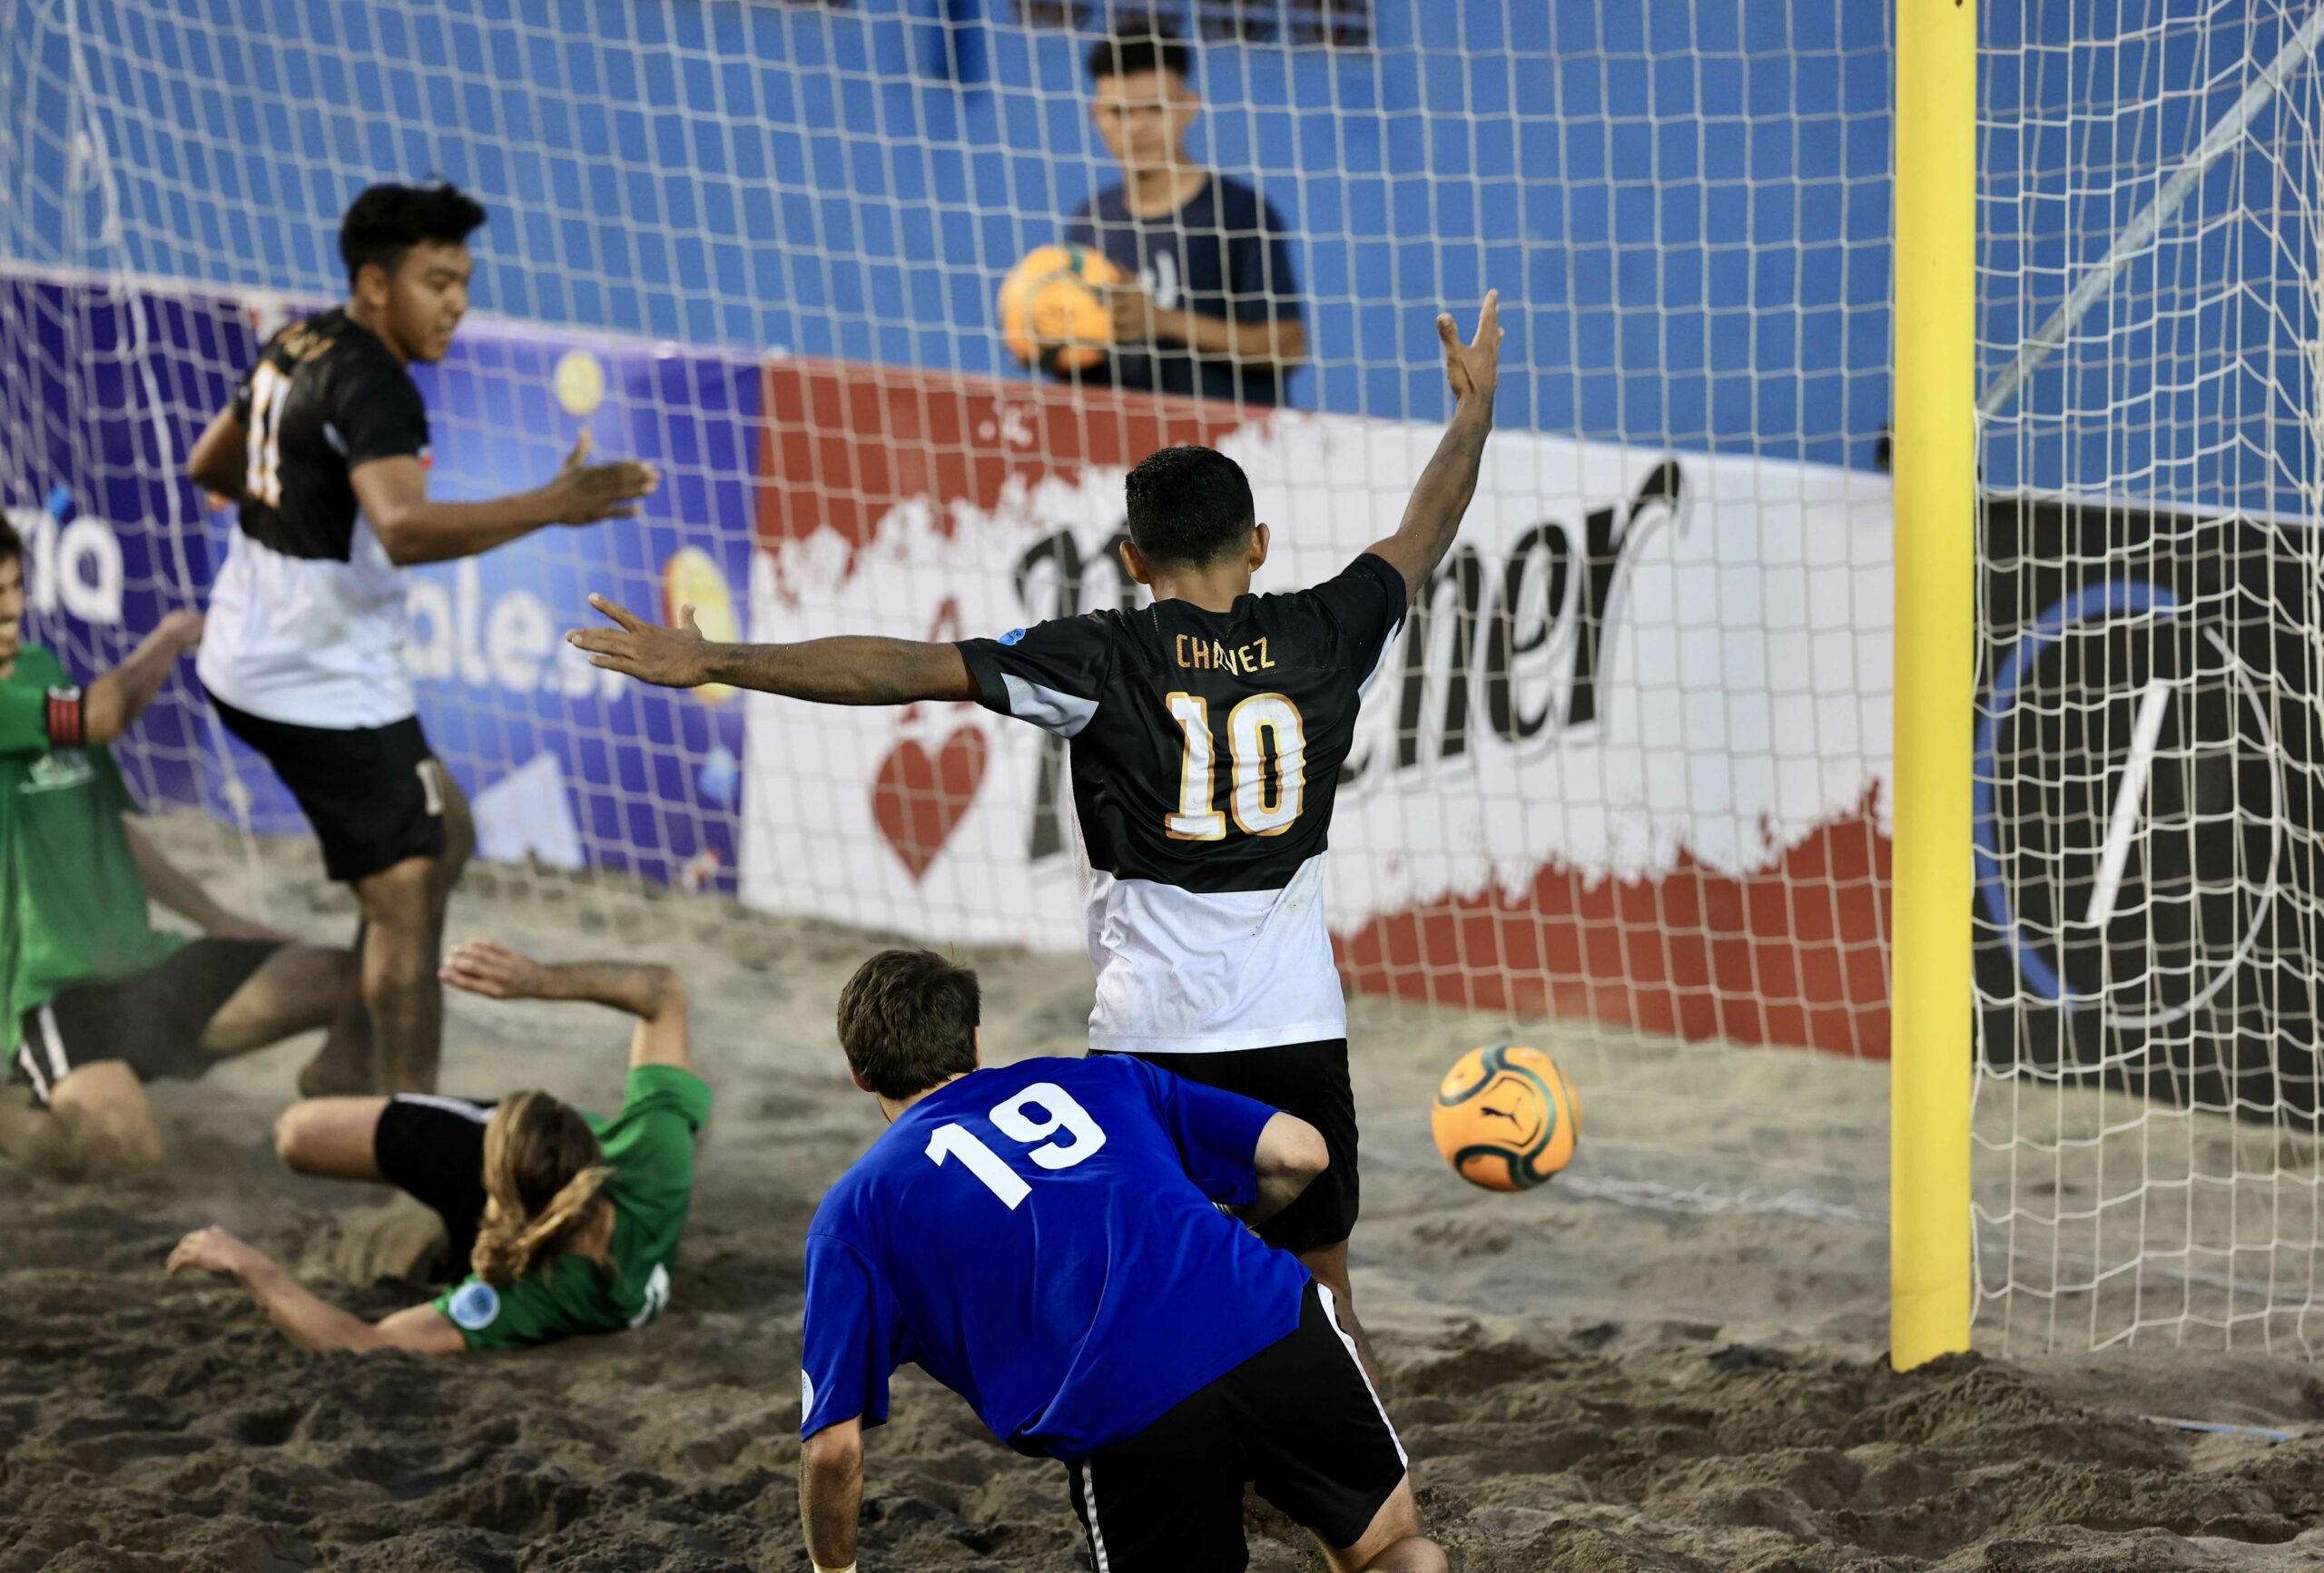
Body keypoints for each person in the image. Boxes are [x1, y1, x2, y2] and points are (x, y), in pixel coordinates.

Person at [569, 292, 1502, 1379]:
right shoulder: (1323, 630)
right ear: (1256, 543)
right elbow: (1419, 534)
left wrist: (721, 660)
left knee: (1158, 1290)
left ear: (1132, 558)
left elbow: (900, 669)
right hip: (1298, 1026)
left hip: (1155, 1042)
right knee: (1325, 1284)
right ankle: (1365, 1492)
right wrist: (1469, 416)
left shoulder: (1099, 654)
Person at [182, 181, 660, 1098]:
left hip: (257, 653)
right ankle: (395, 1130)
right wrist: (553, 506)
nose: (457, 302)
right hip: (311, 681)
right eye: (436, 281)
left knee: (447, 831)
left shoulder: (300, 338)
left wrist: (302, 520)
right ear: (373, 284)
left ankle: (344, 1062)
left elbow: (211, 464)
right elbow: (402, 527)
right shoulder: (376, 384)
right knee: (404, 884)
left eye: (464, 280)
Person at [799, 949, 1443, 1573]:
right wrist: (1223, 1227)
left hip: (1128, 1402)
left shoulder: (852, 1213)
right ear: (973, 1041)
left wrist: (836, 1568)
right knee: (1398, 1551)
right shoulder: (1105, 1077)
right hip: (1273, 1317)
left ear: (860, 1071)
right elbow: (1301, 1151)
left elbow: (833, 1447)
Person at [0, 518, 354, 1180]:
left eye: (16, 585)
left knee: (348, 979)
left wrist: (222, 923)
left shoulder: (40, 667)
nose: (11, 608)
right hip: (48, 995)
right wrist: (166, 639)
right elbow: (105, 714)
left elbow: (112, 829)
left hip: (142, 967)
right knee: (129, 1156)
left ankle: (357, 1155)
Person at [165, 938, 708, 1353]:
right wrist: (536, 979)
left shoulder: (528, 1291)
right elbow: (663, 992)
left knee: (296, 1133)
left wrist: (252, 1269)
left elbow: (363, 1344)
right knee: (307, 1144)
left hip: (502, 1163)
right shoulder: (657, 1163)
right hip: (529, 1184)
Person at [1065, 23, 1306, 406]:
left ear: (1188, 107)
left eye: (1155, 108)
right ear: (1097, 116)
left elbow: (1288, 347)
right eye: (1120, 111)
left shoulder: (1239, 214)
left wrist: (1162, 321)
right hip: (1121, 453)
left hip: (1223, 455)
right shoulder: (1091, 219)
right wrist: (1042, 341)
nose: (1138, 127)